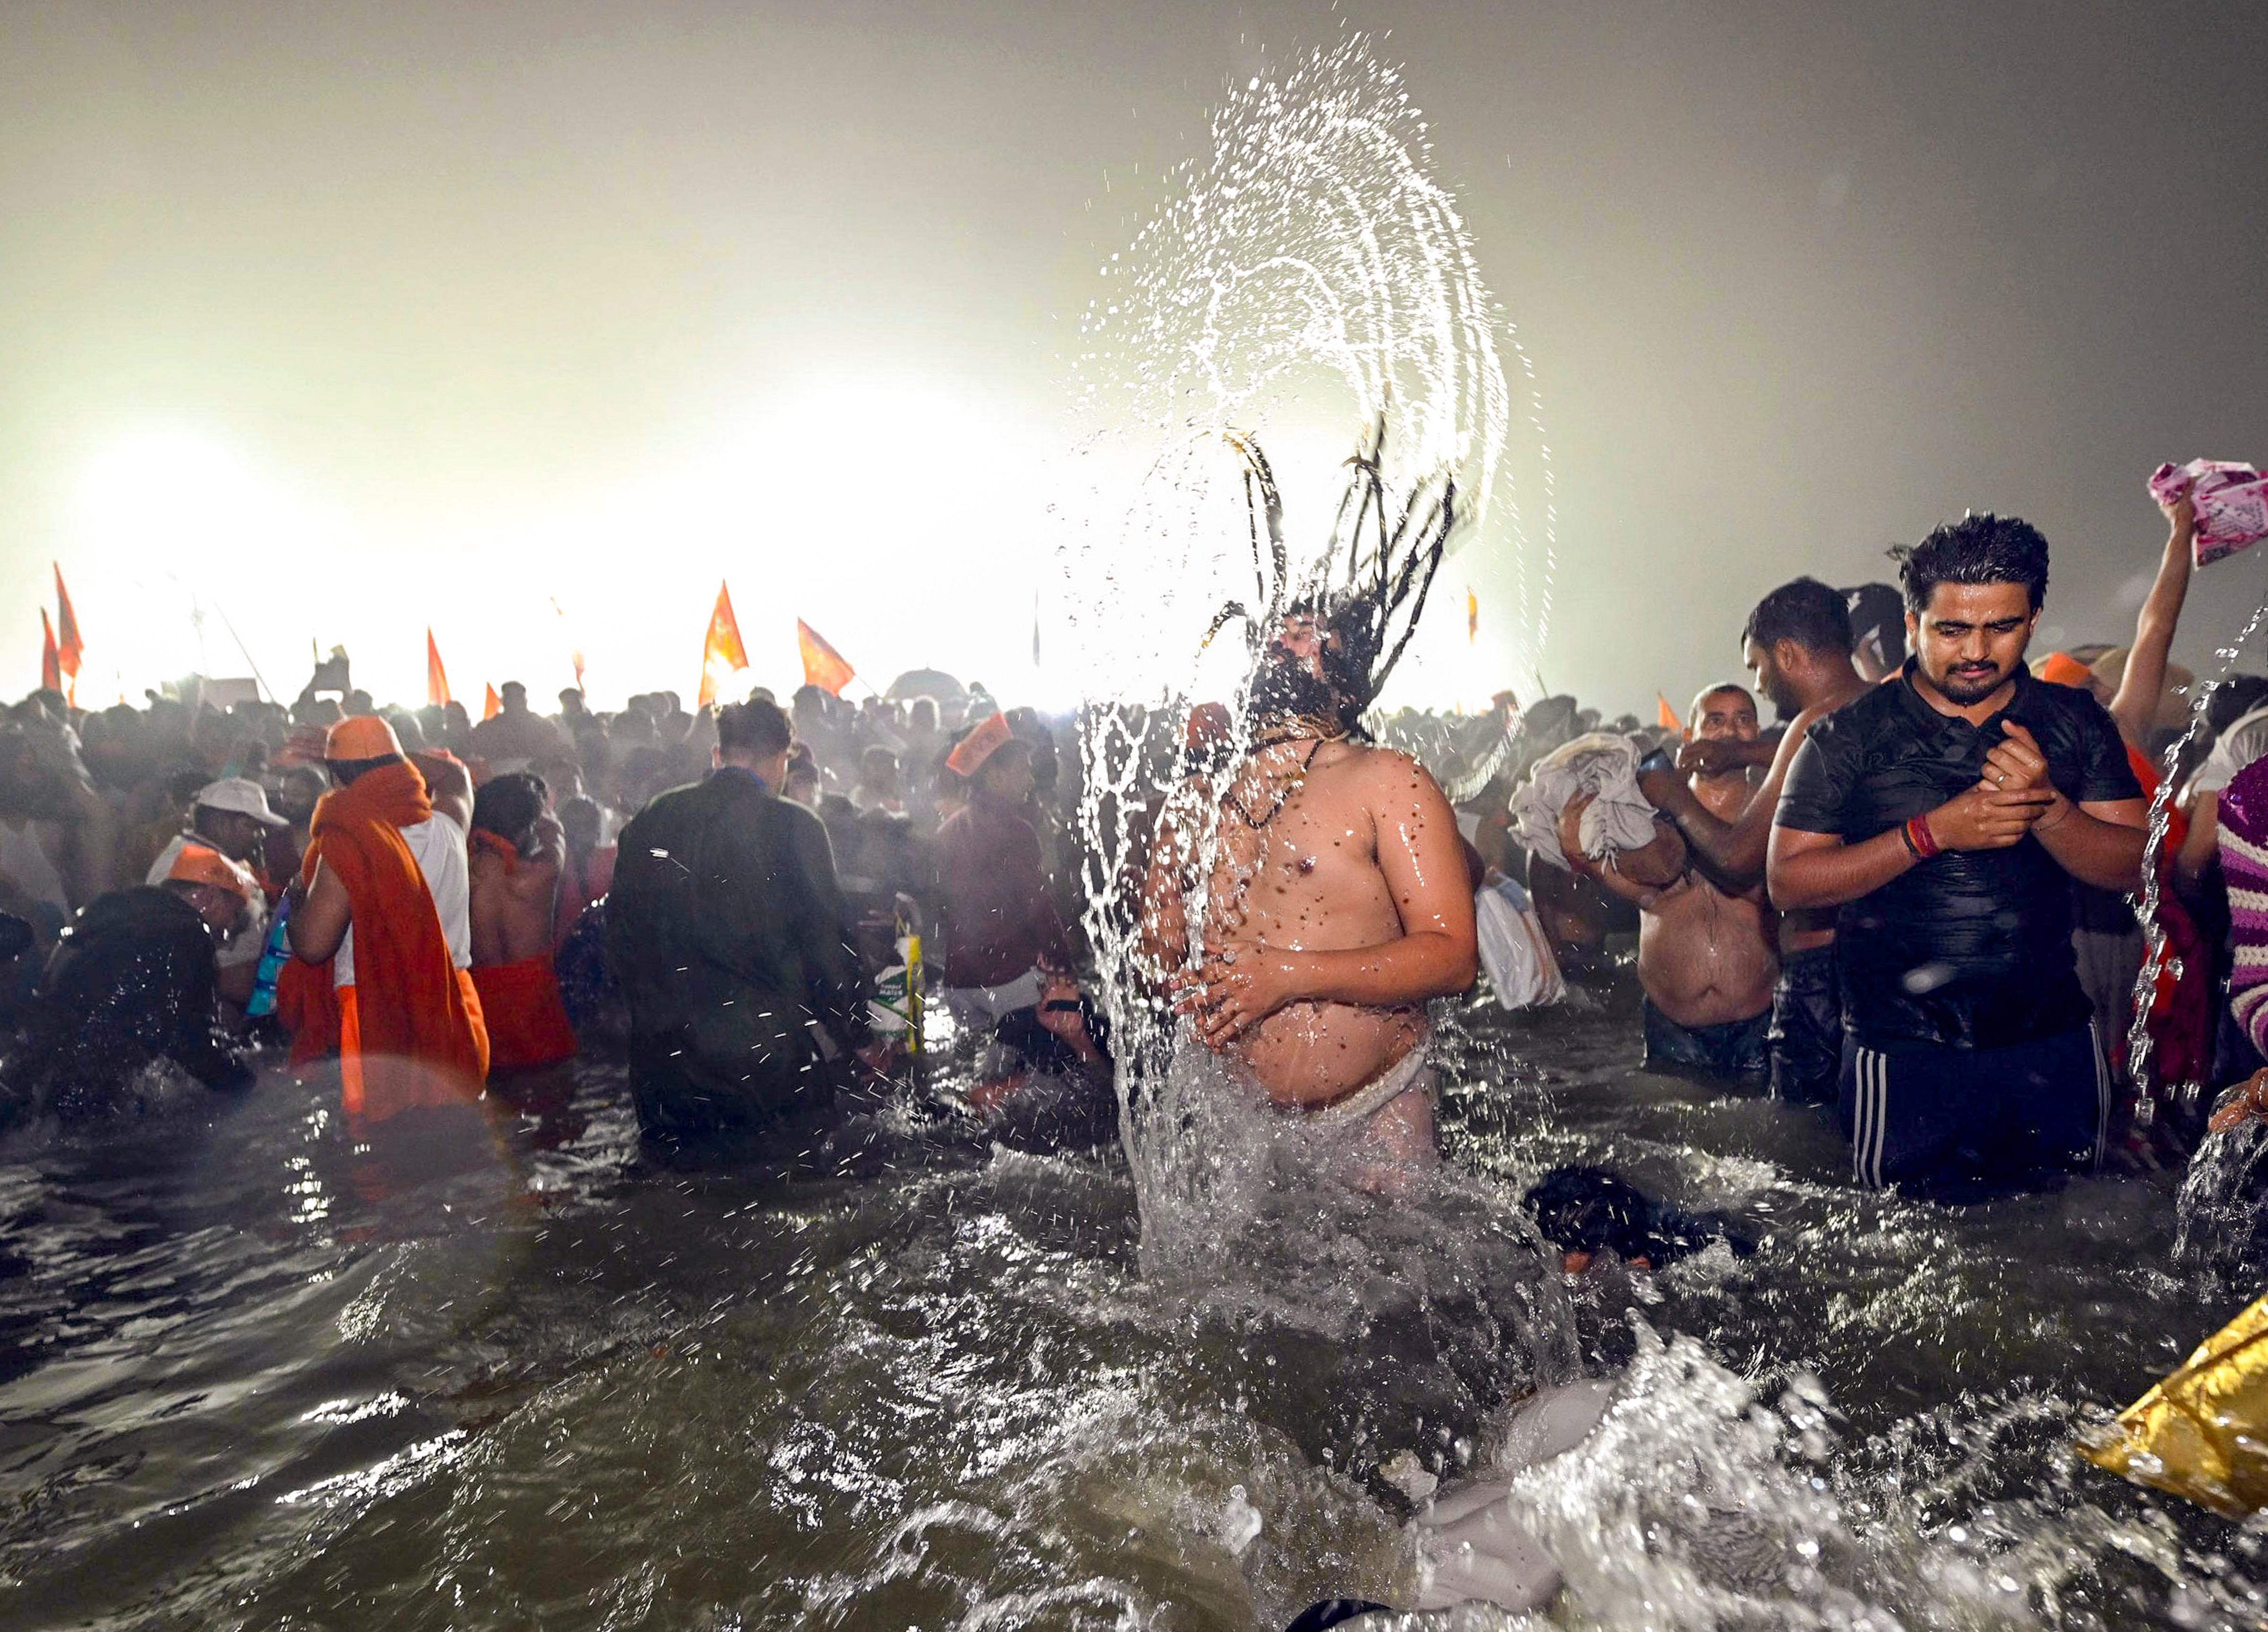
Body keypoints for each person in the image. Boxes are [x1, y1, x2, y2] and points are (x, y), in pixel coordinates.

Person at [1769, 514, 2147, 1192]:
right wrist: (1931, 833)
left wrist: (2047, 807)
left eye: (2000, 626)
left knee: (2075, 1252)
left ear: (2033, 618)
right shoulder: (1847, 735)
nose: (1976, 649)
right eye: (1951, 629)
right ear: (1913, 625)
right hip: (1905, 1051)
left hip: (2054, 1041)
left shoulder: (2074, 720)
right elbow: (1788, 883)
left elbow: (2134, 868)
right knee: (1905, 1255)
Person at [1146, 608, 1479, 1177]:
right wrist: (1162, 942)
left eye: (1305, 634)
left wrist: (1288, 976)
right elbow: (1160, 970)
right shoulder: (1197, 800)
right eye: (1274, 632)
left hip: (1377, 1111)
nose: (1280, 641)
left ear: (1346, 685)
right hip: (1240, 1123)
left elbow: (1453, 957)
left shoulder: (1388, 779)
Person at [1637, 578, 1869, 1103]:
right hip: (1890, 971)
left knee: (1804, 1136)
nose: (1761, 684)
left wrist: (1672, 794)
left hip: (1823, 971)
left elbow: (1738, 859)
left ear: (1785, 654)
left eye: (1758, 667)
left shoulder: (1811, 724)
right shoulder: (1893, 706)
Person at [606, 699, 872, 1143]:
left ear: (721, 751)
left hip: (664, 1068)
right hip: (763, 1062)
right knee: (783, 1188)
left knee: (684, 1196)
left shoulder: (650, 819)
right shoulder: (793, 824)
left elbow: (620, 937)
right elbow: (828, 944)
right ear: (780, 757)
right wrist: (859, 1035)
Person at [282, 716, 490, 1123]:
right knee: (457, 1135)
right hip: (456, 1004)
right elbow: (454, 774)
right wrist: (378, 752)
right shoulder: (449, 826)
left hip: (378, 1014)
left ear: (336, 780)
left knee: (384, 1147)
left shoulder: (347, 846)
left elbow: (312, 946)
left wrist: (296, 902)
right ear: (403, 768)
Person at [1575, 686, 1778, 1082]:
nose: (1730, 732)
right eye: (1715, 721)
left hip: (1760, 1017)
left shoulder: (1774, 814)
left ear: (1757, 733)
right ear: (1690, 736)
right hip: (1673, 1023)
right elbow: (1636, 892)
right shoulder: (1645, 815)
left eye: (1742, 720)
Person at [13, 846, 254, 1118]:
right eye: (233, 917)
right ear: (211, 897)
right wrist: (245, 1087)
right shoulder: (189, 932)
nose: (226, 935)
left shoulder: (107, 908)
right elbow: (190, 1036)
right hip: (90, 1092)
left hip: (34, 1070)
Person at [933, 713, 1081, 1085]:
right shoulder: (1017, 831)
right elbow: (1039, 908)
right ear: (996, 776)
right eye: (1023, 771)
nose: (1031, 780)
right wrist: (1065, 972)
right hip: (1008, 984)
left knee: (981, 1074)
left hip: (958, 986)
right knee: (1047, 1083)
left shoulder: (947, 829)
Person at [467, 772, 578, 1080]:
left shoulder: (464, 872)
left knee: (496, 1104)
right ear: (528, 824)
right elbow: (554, 830)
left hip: (482, 1002)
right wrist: (539, 802)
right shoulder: (542, 872)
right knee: (554, 1103)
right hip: (536, 1004)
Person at [143, 775, 287, 1010]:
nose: (260, 835)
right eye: (252, 826)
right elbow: (187, 959)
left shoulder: (216, 856)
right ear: (222, 822)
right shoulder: (188, 865)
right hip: (216, 1004)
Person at [468, 680, 570, 768]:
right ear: (503, 701)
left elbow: (557, 752)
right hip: (499, 779)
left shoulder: (542, 725)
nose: (514, 702)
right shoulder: (488, 728)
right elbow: (476, 753)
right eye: (510, 697)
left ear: (525, 701)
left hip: (538, 776)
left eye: (518, 697)